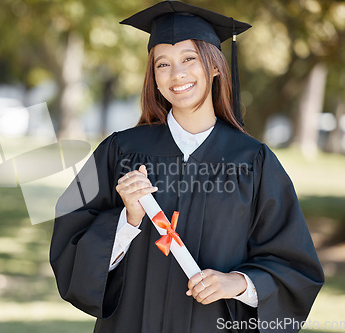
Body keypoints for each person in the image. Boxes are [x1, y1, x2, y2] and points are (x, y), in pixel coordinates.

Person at [49, 1, 324, 332]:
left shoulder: (253, 162)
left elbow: (295, 267)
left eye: (189, 59)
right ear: (153, 75)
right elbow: (70, 245)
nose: (176, 74)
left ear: (215, 66)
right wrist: (128, 220)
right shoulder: (121, 151)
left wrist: (237, 282)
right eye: (162, 64)